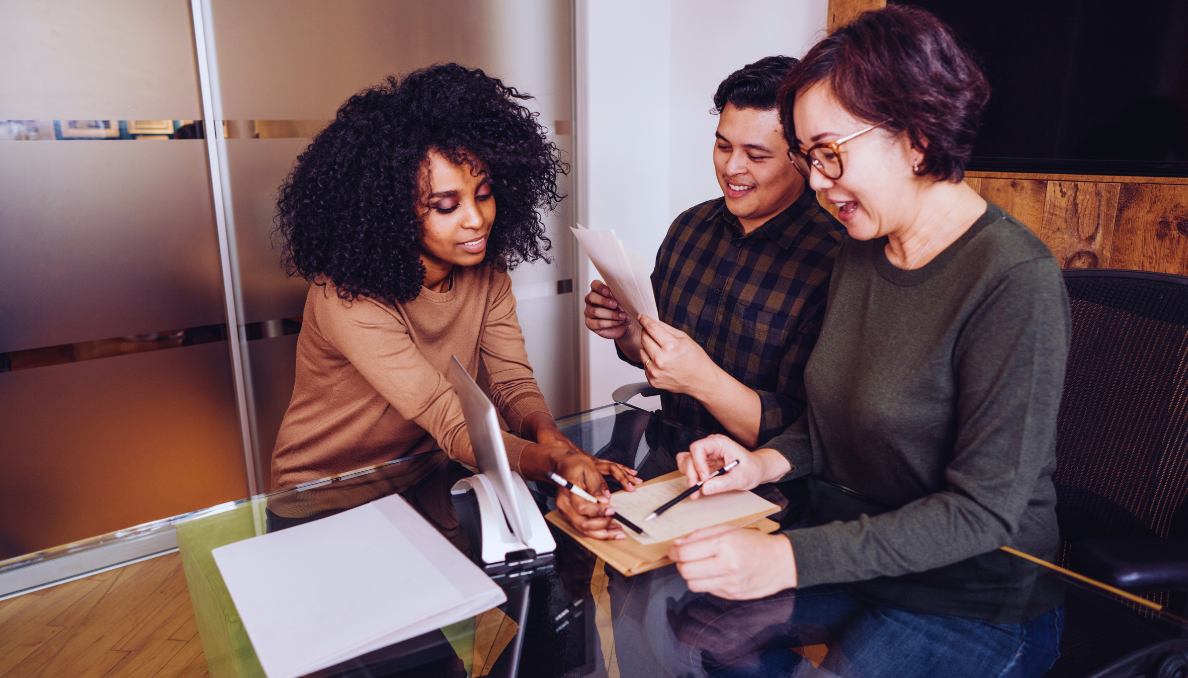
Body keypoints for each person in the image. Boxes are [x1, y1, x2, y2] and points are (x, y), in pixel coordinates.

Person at [669, 7, 1070, 676]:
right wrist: (761, 463)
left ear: (917, 136)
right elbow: (835, 420)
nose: (816, 181)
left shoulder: (1013, 278)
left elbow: (981, 513)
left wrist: (786, 558)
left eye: (830, 153)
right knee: (698, 628)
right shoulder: (862, 250)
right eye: (809, 157)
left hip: (974, 595)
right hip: (862, 554)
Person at [271, 64, 638, 540]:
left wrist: (558, 446)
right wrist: (551, 465)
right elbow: (446, 417)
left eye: (483, 194)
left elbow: (511, 382)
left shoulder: (486, 270)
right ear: (391, 211)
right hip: (326, 498)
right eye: (446, 206)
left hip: (425, 481)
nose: (476, 220)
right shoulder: (346, 297)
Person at [584, 56, 844, 448]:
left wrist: (703, 381)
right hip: (671, 453)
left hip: (764, 476)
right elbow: (653, 354)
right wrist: (627, 331)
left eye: (756, 155)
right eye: (723, 146)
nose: (732, 167)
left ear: (803, 159)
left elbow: (810, 433)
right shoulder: (690, 228)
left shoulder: (834, 264)